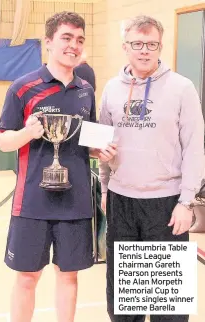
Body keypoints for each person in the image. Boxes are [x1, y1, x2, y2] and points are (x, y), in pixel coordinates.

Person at [0, 11, 117, 322]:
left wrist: (100, 150)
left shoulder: (86, 90)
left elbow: (88, 139)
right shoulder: (23, 87)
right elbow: (1, 142)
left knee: (69, 277)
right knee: (27, 278)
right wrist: (26, 133)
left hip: (75, 203)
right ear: (48, 42)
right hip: (32, 203)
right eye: (66, 38)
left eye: (79, 40)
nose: (73, 45)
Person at [99, 15, 204, 322]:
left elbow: (195, 148)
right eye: (137, 44)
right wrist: (105, 189)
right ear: (125, 47)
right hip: (121, 202)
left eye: (151, 44)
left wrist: (186, 202)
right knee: (124, 304)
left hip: (167, 205)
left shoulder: (182, 88)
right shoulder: (111, 89)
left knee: (166, 307)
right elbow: (105, 146)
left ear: (160, 46)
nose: (144, 51)